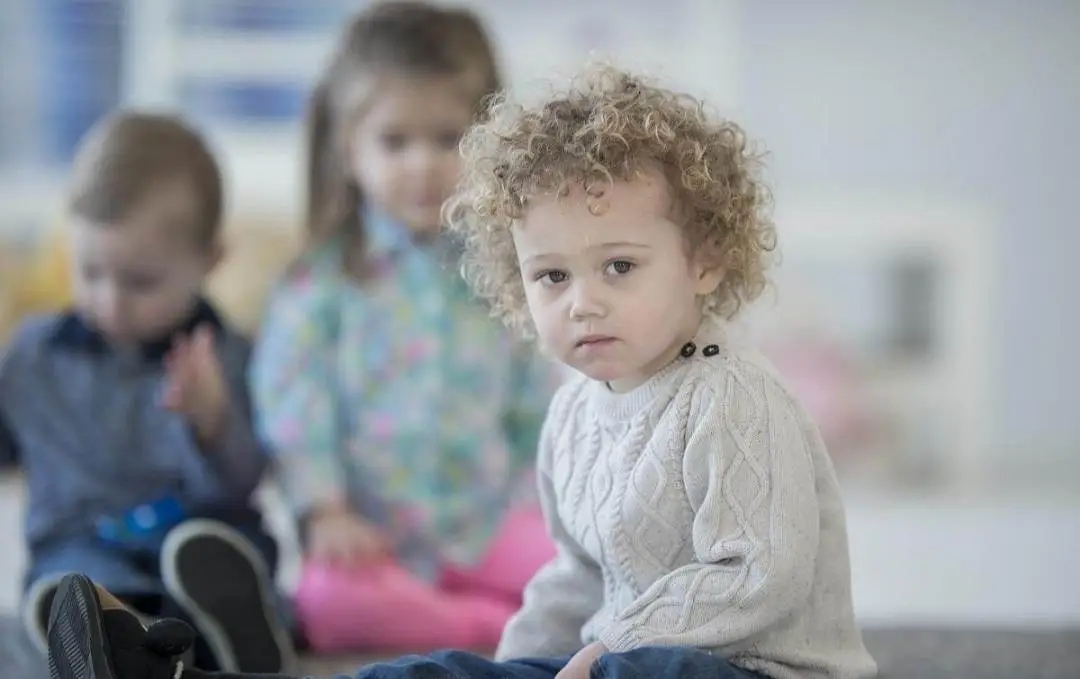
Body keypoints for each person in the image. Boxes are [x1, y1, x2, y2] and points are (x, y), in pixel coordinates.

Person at [44, 63, 879, 679]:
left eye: (619, 266)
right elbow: (579, 574)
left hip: (753, 668)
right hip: (609, 654)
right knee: (436, 671)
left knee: (642, 672)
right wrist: (522, 663)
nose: (582, 301)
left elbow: (757, 578)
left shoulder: (730, 394)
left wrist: (604, 646)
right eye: (552, 275)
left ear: (704, 259)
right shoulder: (578, 411)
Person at [248, 1, 556, 653]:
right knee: (324, 604)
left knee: (591, 578)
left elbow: (537, 400)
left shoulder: (507, 272)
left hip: (488, 520)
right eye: (395, 142)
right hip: (371, 534)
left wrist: (542, 499)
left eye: (448, 138)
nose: (423, 164)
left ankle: (501, 617)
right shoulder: (322, 283)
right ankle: (490, 630)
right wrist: (324, 509)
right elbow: (292, 403)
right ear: (348, 148)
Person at [0, 112, 294, 673]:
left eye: (140, 282)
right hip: (82, 542)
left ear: (210, 260)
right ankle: (96, 629)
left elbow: (247, 480)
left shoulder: (226, 356)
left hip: (194, 542)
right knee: (73, 582)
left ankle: (234, 635)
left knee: (225, 551)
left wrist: (213, 423)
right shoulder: (34, 355)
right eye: (89, 272)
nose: (110, 300)